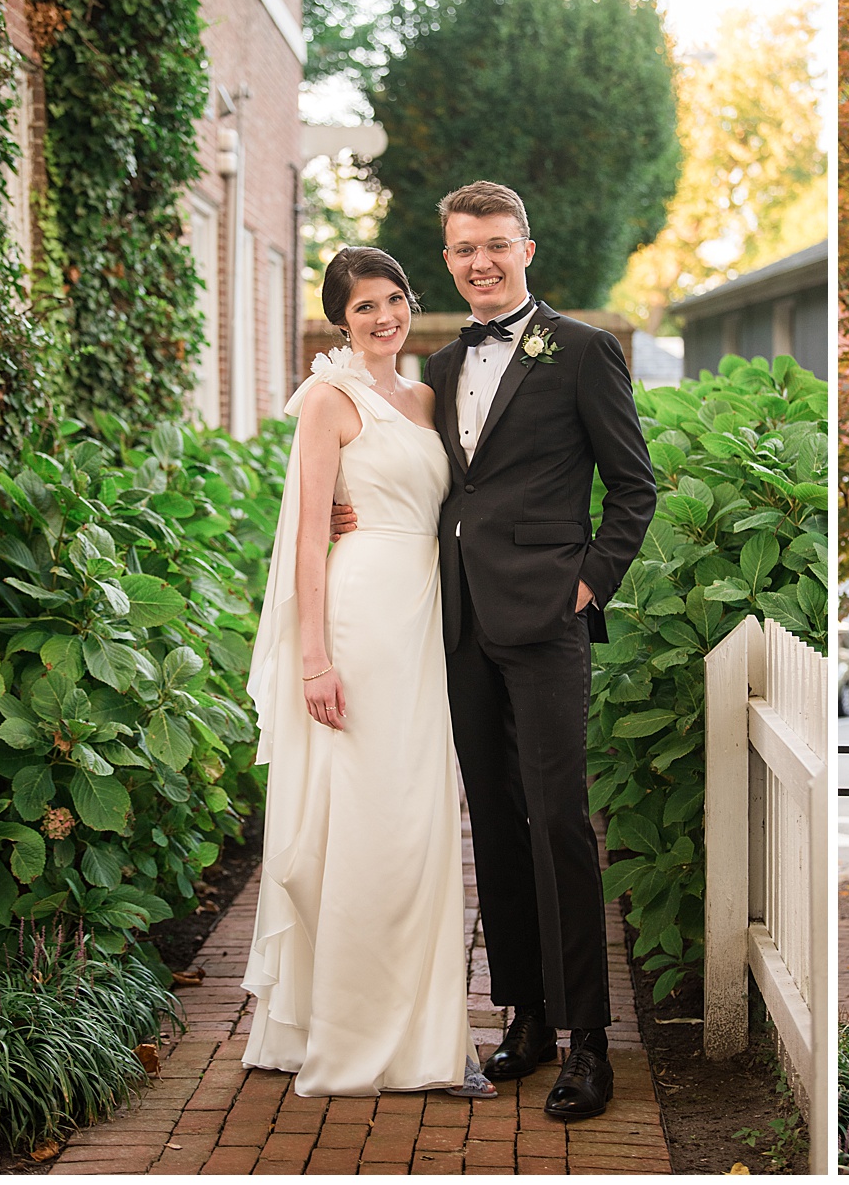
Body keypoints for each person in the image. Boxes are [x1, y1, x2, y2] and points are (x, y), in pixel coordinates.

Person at [334, 181, 655, 1119]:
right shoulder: (435, 367)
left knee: (560, 824)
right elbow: (416, 473)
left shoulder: (586, 352)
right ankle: (525, 1019)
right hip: (458, 623)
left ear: (526, 248)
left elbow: (634, 487)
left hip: (548, 623)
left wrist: (588, 585)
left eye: (497, 245)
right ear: (448, 259)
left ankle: (589, 1042)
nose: (481, 262)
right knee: (494, 826)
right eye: (465, 249)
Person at [241, 247, 492, 1098]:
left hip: (425, 620)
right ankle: (360, 1035)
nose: (383, 319)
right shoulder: (327, 400)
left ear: (409, 305)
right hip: (358, 621)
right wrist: (314, 658)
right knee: (370, 826)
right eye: (363, 310)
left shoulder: (425, 398)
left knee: (423, 825)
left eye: (394, 301)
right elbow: (312, 534)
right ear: (339, 323)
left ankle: (426, 1032)